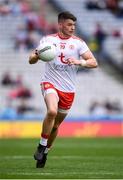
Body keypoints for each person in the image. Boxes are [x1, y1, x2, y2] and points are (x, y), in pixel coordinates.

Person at [29, 11, 98, 168]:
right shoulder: (48, 40)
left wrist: (79, 62)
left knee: (55, 126)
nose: (72, 27)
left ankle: (45, 152)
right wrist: (37, 55)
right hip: (49, 82)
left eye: (74, 25)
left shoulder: (79, 43)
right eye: (69, 24)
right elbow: (31, 59)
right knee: (51, 111)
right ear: (60, 24)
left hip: (68, 89)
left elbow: (94, 62)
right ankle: (41, 145)